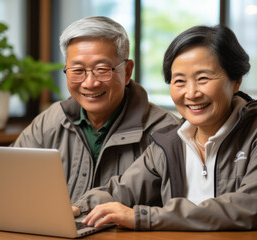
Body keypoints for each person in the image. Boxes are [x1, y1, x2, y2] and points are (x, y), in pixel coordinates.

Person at [71, 24, 257, 232]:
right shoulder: (169, 141)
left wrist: (143, 217)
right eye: (179, 81)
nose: (191, 93)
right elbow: (122, 190)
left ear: (236, 81)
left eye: (203, 78)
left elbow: (249, 209)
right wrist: (78, 208)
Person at [11, 16, 179, 203]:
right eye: (77, 70)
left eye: (102, 69)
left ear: (128, 71)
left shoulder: (165, 131)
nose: (90, 83)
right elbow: (8, 177)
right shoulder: (50, 121)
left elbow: (174, 212)